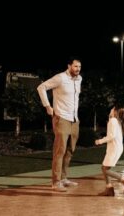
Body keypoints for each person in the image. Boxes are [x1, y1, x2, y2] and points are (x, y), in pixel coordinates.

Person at [37, 57, 82, 192]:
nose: (78, 69)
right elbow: (41, 87)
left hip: (74, 119)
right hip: (61, 118)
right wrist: (47, 106)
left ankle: (63, 178)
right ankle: (55, 182)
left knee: (70, 150)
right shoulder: (60, 78)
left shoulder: (79, 79)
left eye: (79, 67)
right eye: (75, 66)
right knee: (60, 150)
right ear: (69, 66)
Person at [95, 106, 124, 196]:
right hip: (115, 148)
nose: (110, 110)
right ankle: (109, 189)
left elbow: (111, 136)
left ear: (115, 112)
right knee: (105, 168)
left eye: (112, 109)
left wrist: (100, 141)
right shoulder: (116, 121)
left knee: (104, 169)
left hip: (114, 148)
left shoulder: (113, 121)